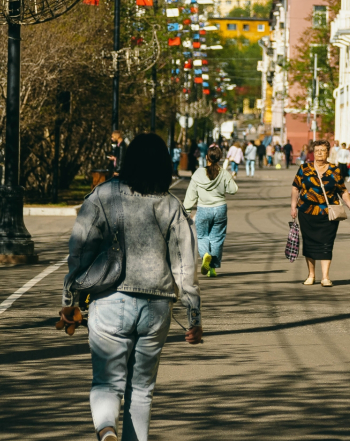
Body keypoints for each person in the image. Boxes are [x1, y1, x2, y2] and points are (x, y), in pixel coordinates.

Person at [59, 133, 202, 441]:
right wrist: (194, 317)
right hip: (157, 307)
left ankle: (106, 429)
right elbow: (185, 264)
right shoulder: (171, 205)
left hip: (110, 301)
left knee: (107, 383)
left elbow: (80, 248)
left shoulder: (103, 195)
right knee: (141, 390)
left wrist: (70, 299)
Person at [291, 139, 350, 286]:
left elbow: (342, 191)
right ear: (313, 153)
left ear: (328, 152)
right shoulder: (304, 168)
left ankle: (325, 277)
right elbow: (296, 187)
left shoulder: (335, 170)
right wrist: (293, 206)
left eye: (323, 150)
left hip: (329, 214)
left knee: (326, 244)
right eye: (317, 151)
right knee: (309, 243)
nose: (320, 153)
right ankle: (311, 275)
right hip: (307, 212)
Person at [184, 144, 238, 277]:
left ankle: (205, 255)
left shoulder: (198, 173)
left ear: (207, 157)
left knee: (202, 236)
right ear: (219, 158)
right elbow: (233, 189)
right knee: (217, 238)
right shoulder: (223, 173)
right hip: (220, 209)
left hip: (203, 209)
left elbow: (191, 194)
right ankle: (212, 269)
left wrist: (186, 210)